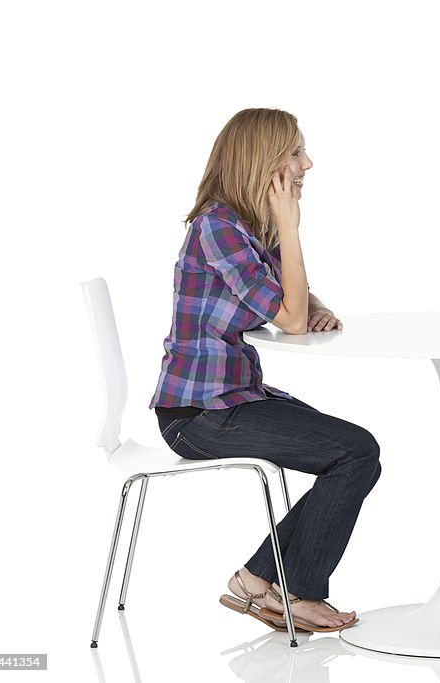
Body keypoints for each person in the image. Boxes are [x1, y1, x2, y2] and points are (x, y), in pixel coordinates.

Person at [150, 108, 381, 633]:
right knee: (356, 451)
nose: (308, 163)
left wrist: (314, 302)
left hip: (235, 398)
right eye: (296, 152)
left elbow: (293, 302)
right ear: (265, 162)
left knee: (357, 454)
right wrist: (290, 226)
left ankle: (259, 579)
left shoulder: (243, 225)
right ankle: (292, 591)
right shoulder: (218, 227)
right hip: (197, 415)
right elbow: (290, 317)